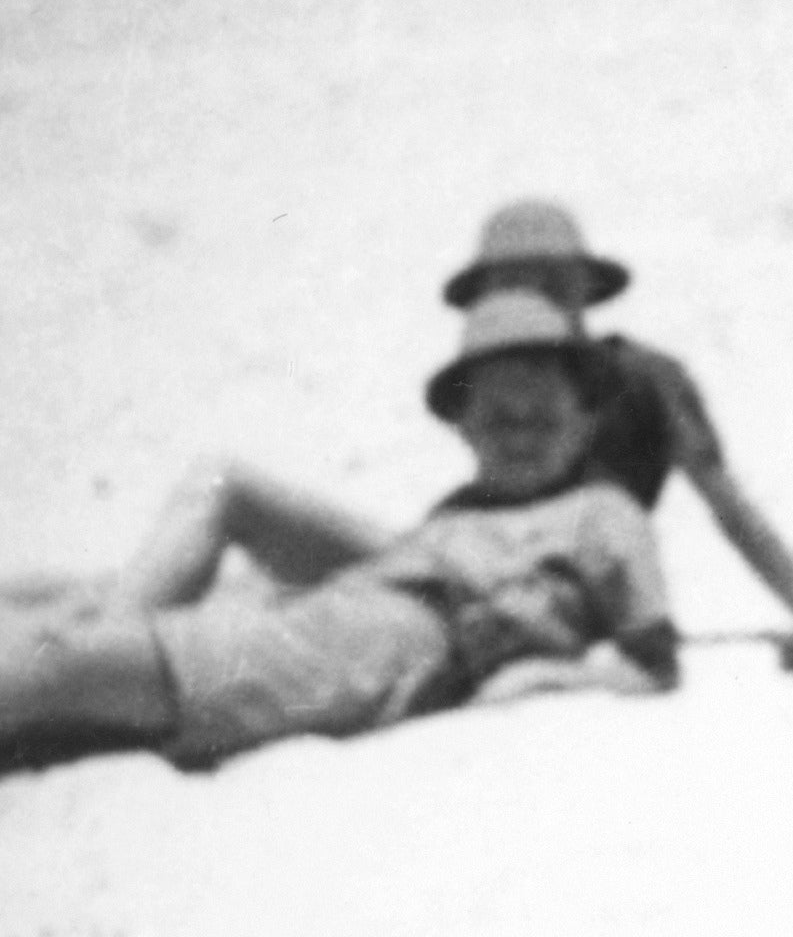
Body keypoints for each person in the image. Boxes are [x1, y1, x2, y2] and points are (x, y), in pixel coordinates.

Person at [1, 291, 675, 772]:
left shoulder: (604, 513)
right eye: (500, 418)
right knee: (66, 631)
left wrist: (550, 676)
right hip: (349, 606)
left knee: (67, 663)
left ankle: (95, 649)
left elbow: (654, 664)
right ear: (466, 425)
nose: (521, 436)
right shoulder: (466, 508)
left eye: (544, 418)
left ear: (586, 423)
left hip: (393, 640)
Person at [437, 197, 793, 643]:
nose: (539, 297)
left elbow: (728, 505)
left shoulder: (646, 379)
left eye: (555, 281)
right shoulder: (474, 384)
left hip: (612, 607)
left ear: (584, 287)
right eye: (517, 284)